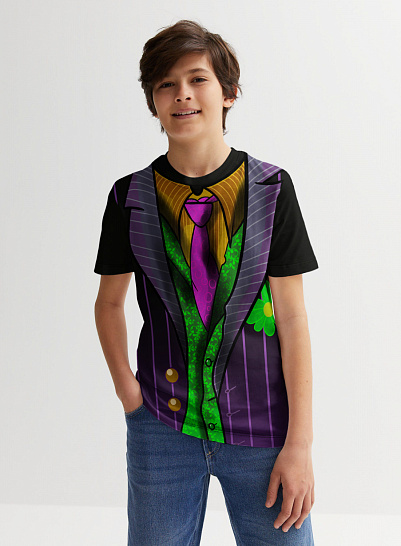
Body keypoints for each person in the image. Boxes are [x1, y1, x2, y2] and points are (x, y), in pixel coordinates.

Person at [94, 19, 318, 546]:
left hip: (264, 427)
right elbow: (109, 303)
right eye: (166, 84)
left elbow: (292, 318)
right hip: (161, 424)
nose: (183, 94)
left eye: (198, 79)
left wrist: (300, 444)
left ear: (228, 93)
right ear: (153, 103)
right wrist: (130, 394)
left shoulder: (271, 189)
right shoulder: (130, 197)